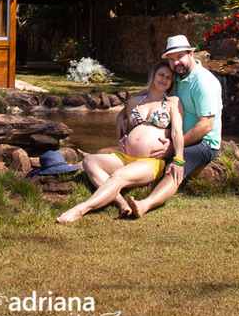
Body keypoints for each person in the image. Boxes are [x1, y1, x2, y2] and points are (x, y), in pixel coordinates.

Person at [55, 61, 184, 223]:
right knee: (89, 161)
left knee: (117, 176)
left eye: (169, 78)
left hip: (150, 161)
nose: (164, 79)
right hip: (124, 157)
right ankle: (120, 202)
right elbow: (129, 129)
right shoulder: (135, 101)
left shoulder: (173, 102)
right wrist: (124, 139)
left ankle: (81, 209)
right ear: (153, 76)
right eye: (161, 75)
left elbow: (177, 132)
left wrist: (178, 158)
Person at [125, 34, 221, 218]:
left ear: (192, 54)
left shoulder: (204, 83)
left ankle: (145, 204)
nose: (176, 62)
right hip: (178, 138)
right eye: (171, 59)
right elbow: (150, 90)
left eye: (179, 57)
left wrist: (174, 148)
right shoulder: (177, 76)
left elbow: (206, 126)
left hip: (203, 143)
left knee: (174, 167)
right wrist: (122, 115)